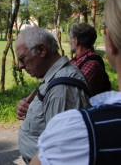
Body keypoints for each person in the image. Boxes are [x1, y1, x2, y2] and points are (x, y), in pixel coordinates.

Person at [29, 0, 121, 165]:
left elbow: (70, 94)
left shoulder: (76, 132)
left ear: (110, 42)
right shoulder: (77, 61)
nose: (70, 42)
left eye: (71, 39)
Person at [15, 26, 90, 164]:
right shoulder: (55, 79)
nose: (20, 66)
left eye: (22, 58)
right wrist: (32, 109)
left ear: (41, 50)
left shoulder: (62, 88)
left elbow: (59, 153)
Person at [70, 22, 111, 95]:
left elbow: (74, 93)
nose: (70, 43)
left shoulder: (92, 64)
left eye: (71, 39)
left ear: (76, 41)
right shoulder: (77, 59)